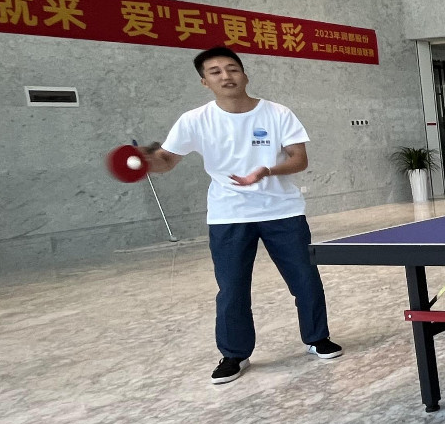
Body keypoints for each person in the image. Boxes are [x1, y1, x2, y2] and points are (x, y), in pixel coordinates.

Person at [139, 45, 341, 385]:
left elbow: (299, 159)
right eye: (215, 72)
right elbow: (166, 161)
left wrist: (266, 171)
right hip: (228, 214)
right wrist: (144, 161)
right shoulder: (194, 120)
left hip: (282, 211)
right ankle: (234, 354)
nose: (226, 76)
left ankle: (317, 338)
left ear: (244, 75)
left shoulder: (277, 113)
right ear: (204, 82)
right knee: (231, 288)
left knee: (304, 279)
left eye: (232, 68)